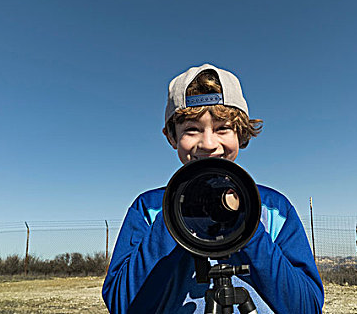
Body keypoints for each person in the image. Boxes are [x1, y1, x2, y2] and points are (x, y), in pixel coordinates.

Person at [102, 63, 324, 314]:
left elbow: (308, 307)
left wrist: (248, 226)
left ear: (240, 134)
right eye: (192, 130)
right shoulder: (149, 208)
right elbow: (121, 305)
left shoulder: (273, 209)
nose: (208, 144)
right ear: (172, 137)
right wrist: (174, 218)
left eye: (223, 128)